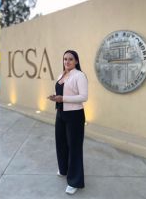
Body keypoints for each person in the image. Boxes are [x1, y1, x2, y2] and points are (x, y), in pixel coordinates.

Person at [48, 50, 88, 194]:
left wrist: (62, 98)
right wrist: (56, 98)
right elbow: (63, 93)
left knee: (74, 147)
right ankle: (64, 168)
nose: (67, 61)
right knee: (61, 143)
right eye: (65, 59)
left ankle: (75, 181)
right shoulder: (62, 75)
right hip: (61, 113)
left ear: (76, 61)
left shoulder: (80, 75)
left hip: (75, 116)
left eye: (70, 59)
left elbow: (84, 97)